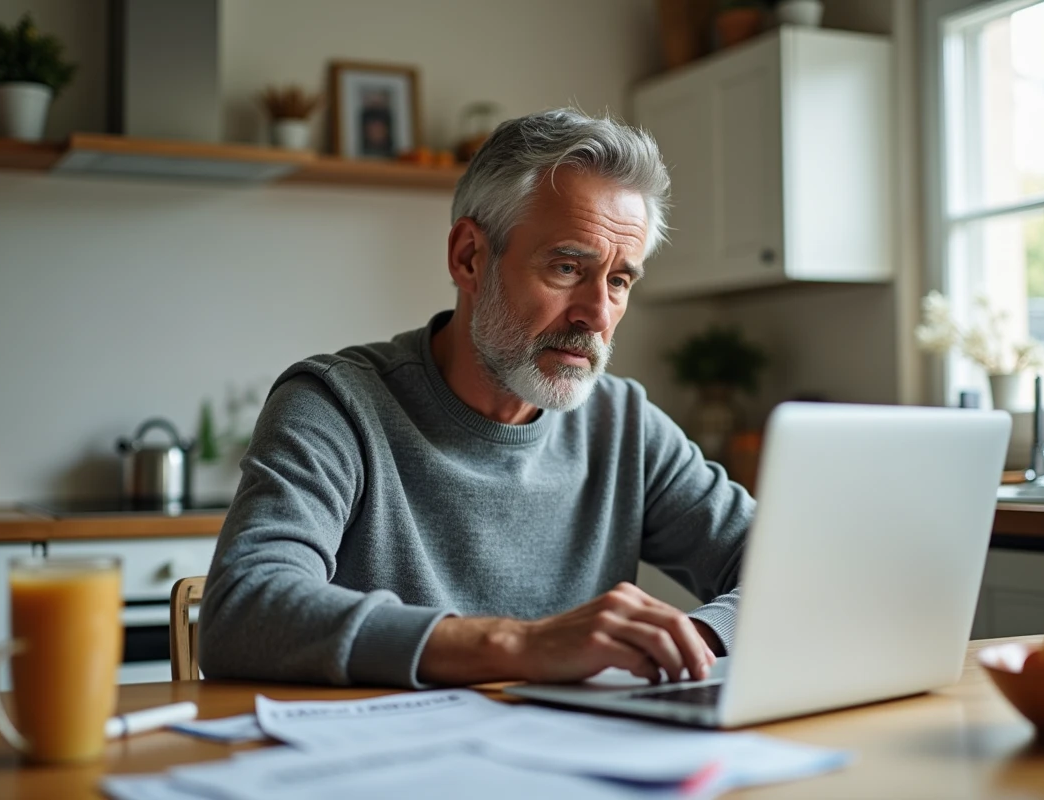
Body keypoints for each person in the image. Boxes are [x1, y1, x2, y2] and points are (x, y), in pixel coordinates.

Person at [200, 109, 753, 689]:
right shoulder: (336, 405)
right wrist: (520, 646)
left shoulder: (626, 425)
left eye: (618, 281)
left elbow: (797, 573)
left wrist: (693, 642)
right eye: (567, 267)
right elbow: (243, 612)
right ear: (469, 257)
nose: (597, 314)